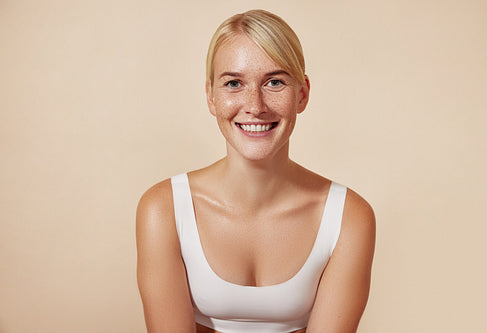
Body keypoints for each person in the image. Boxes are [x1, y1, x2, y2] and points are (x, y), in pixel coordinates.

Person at [136, 9, 375, 333]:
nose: (255, 105)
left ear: (302, 93)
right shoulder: (163, 209)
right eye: (234, 83)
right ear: (211, 96)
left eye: (274, 82)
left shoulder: (348, 217)